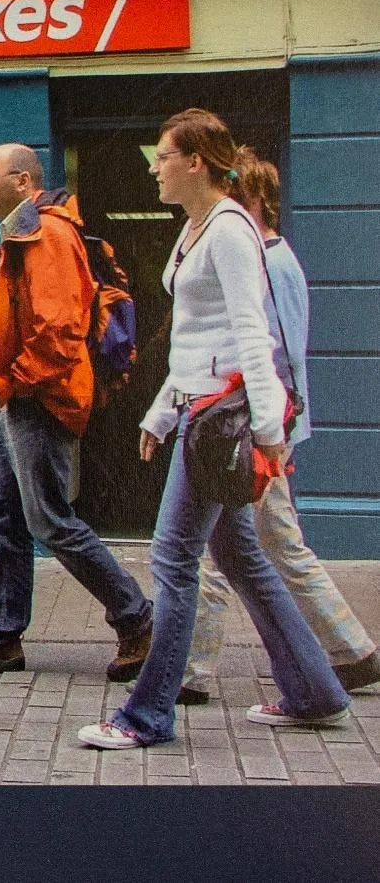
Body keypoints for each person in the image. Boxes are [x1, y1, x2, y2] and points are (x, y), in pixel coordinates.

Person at [79, 110, 351, 750]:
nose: (154, 167)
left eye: (164, 156)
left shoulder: (229, 229)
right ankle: (314, 692)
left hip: (218, 423)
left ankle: (146, 717)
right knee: (241, 558)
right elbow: (197, 339)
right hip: (199, 411)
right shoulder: (195, 228)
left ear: (196, 161)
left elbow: (250, 338)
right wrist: (160, 411)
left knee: (175, 559)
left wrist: (266, 430)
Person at [0, 143, 153, 679]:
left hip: (36, 399)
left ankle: (138, 618)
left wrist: (15, 381)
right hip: (10, 400)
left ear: (21, 179)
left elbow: (59, 332)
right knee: (5, 517)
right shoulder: (17, 237)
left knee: (49, 520)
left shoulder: (47, 234)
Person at [179, 150, 379, 703]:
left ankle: (191, 670)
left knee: (218, 551)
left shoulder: (268, 262)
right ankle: (351, 651)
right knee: (275, 544)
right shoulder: (270, 256)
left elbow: (282, 352)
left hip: (250, 429)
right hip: (259, 424)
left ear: (252, 201)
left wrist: (274, 431)